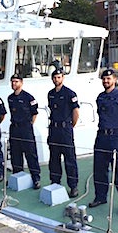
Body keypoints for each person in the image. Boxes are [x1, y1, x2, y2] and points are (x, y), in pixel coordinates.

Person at [89, 68, 118, 216]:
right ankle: (100, 197)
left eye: (109, 79)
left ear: (114, 80)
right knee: (99, 169)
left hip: (116, 137)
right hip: (102, 136)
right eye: (104, 79)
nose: (106, 81)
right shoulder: (100, 97)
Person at [47, 68, 79, 197]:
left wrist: (70, 126)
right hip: (54, 129)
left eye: (59, 77)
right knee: (54, 158)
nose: (56, 80)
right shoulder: (50, 94)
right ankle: (55, 183)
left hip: (65, 130)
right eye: (54, 77)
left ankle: (73, 186)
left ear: (63, 78)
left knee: (69, 159)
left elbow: (75, 112)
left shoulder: (70, 94)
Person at [7, 73, 40, 189]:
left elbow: (34, 113)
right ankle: (17, 176)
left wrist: (28, 125)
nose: (14, 84)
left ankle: (36, 178)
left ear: (21, 83)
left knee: (30, 153)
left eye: (16, 81)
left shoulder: (28, 98)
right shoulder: (10, 98)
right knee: (15, 154)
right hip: (14, 128)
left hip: (25, 128)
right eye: (12, 81)